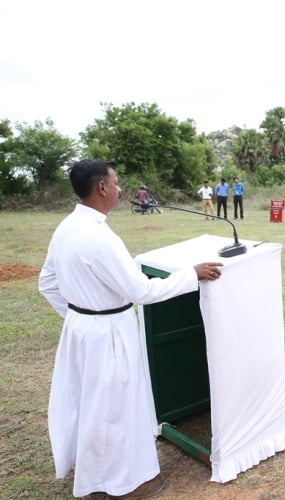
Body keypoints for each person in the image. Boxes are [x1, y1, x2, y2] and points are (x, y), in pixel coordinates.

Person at [38, 159, 223, 499]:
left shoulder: (66, 227)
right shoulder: (99, 237)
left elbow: (47, 283)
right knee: (115, 408)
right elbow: (141, 291)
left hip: (82, 331)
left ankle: (97, 471)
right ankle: (123, 484)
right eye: (117, 182)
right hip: (108, 333)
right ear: (102, 188)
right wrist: (190, 275)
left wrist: (80, 317)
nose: (121, 189)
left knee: (91, 403)